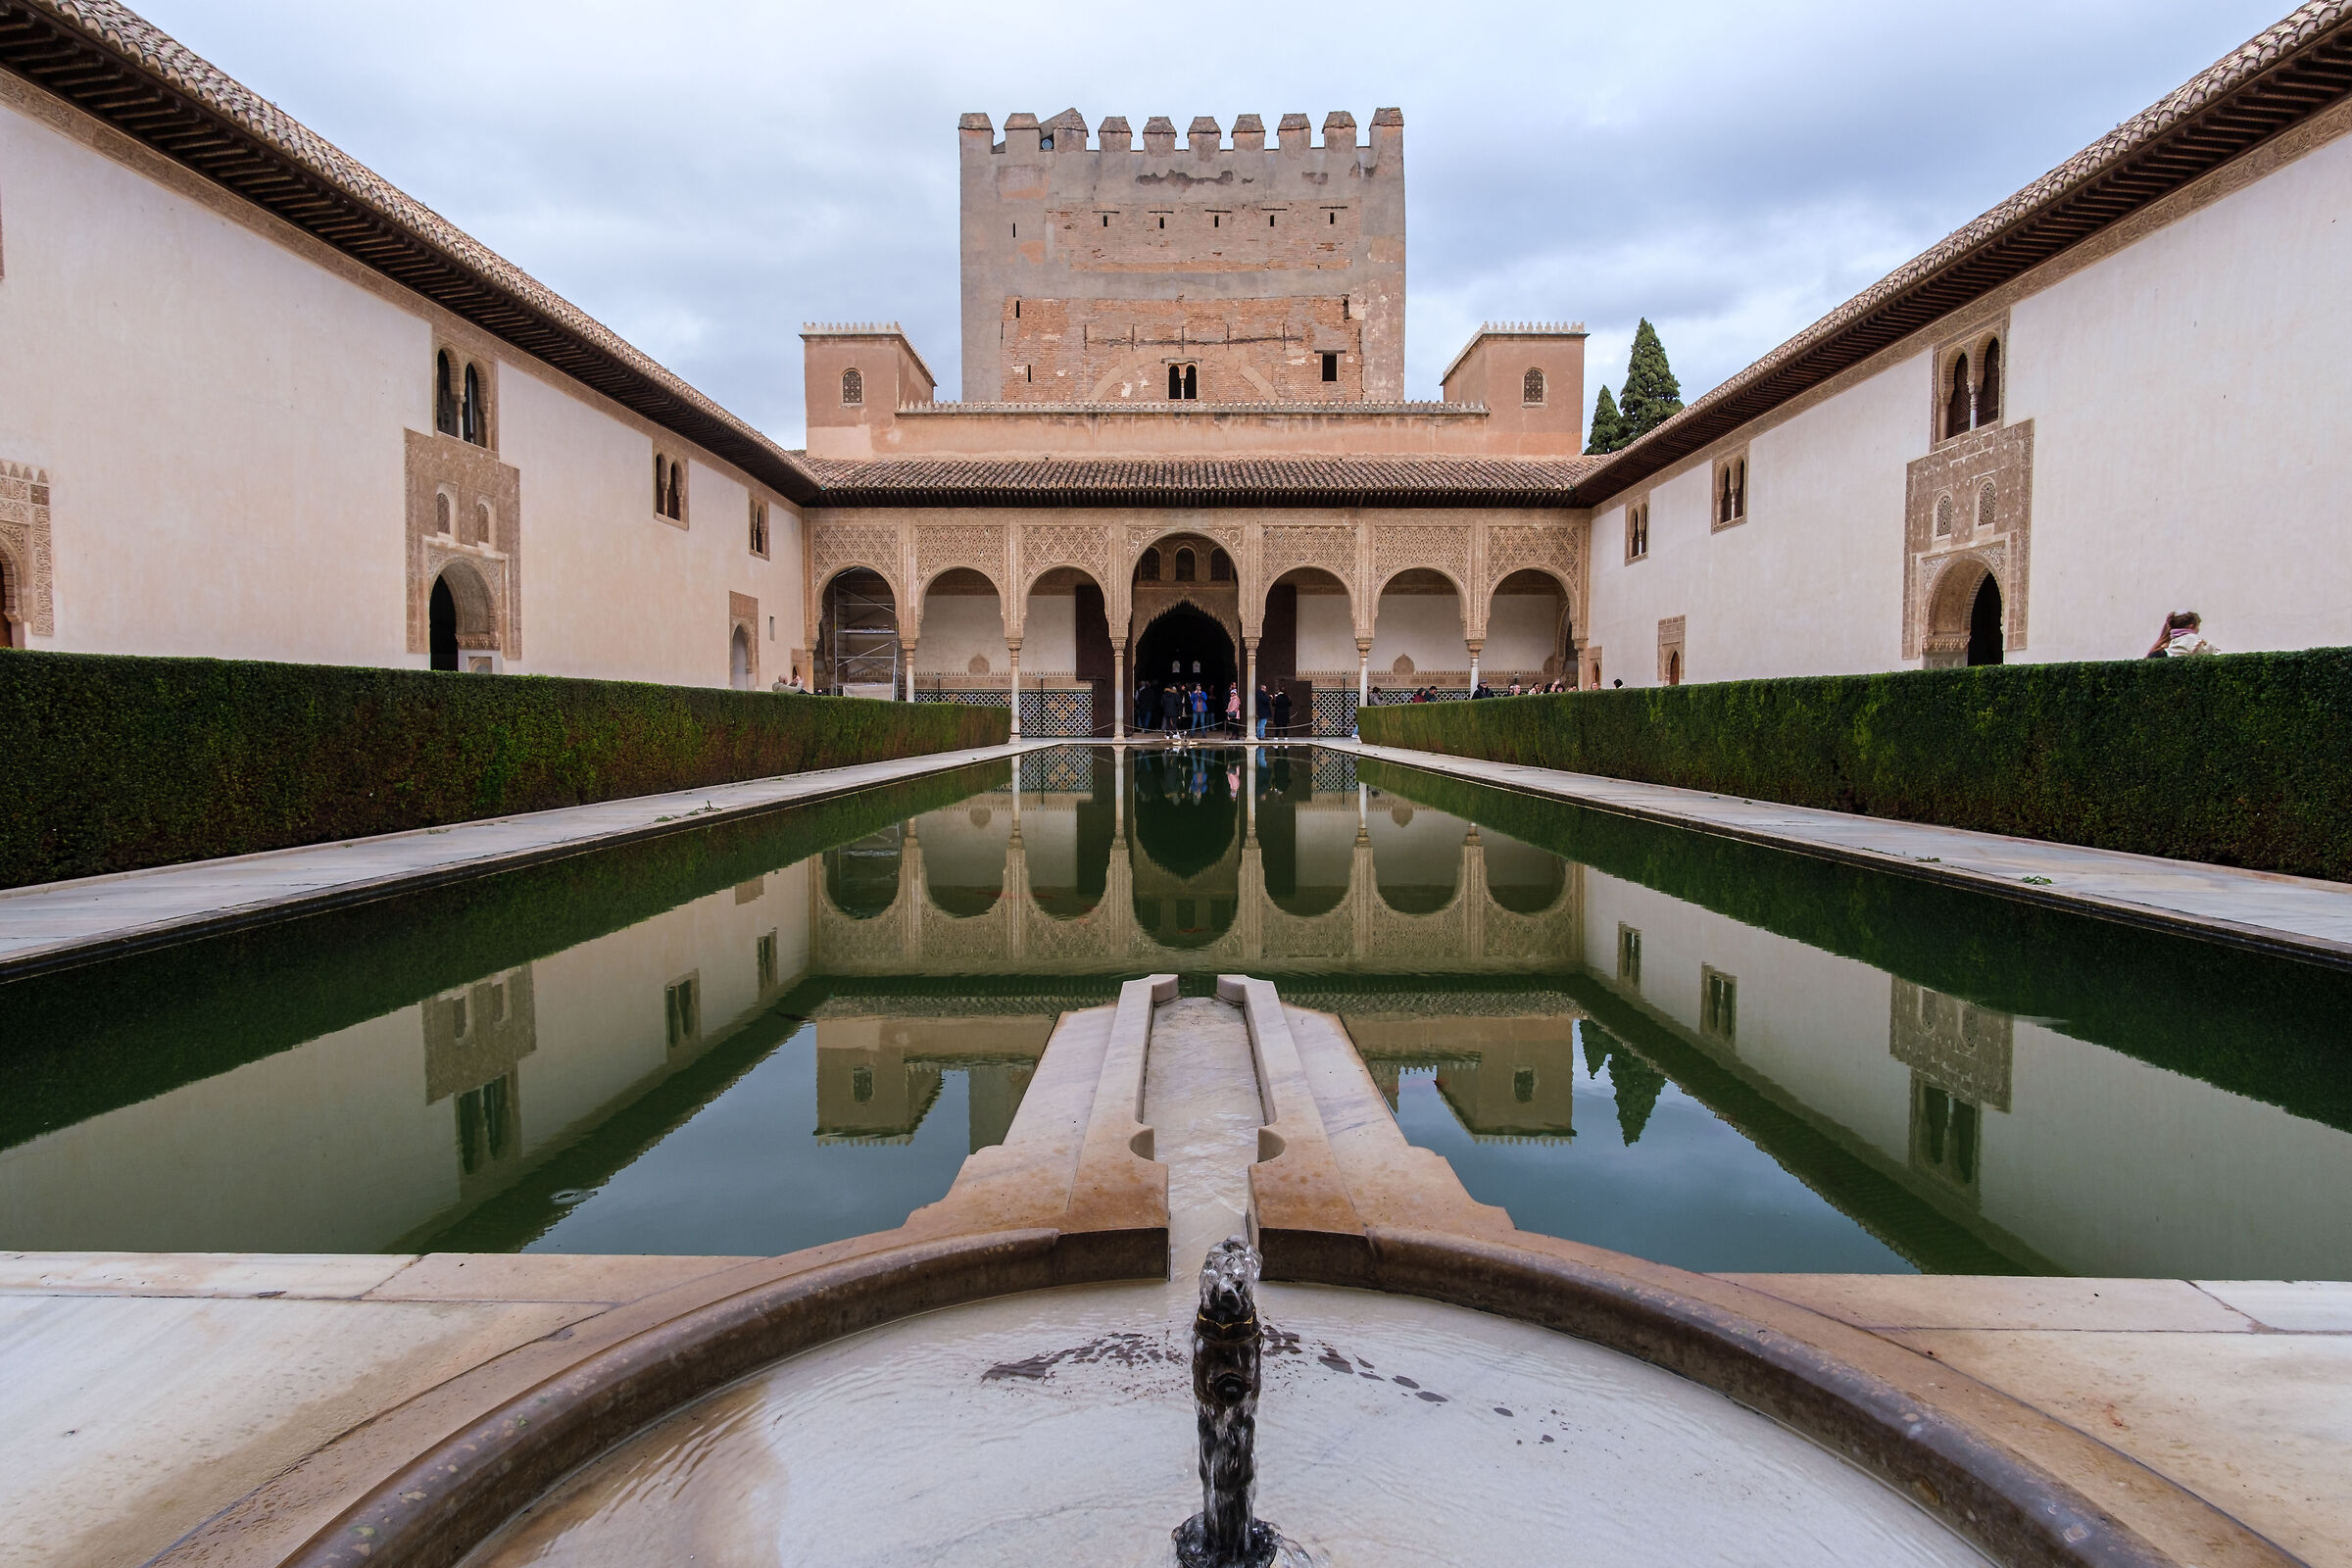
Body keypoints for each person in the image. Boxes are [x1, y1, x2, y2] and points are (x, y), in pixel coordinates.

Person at [2146, 611, 2217, 658]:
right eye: (2198, 626)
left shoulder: (2171, 645)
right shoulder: (2191, 638)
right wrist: (2208, 645)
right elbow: (2206, 652)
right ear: (2191, 627)